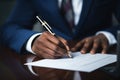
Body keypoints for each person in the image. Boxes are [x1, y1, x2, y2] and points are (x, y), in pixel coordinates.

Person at [0, 0, 120, 80]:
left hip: (100, 66)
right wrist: (33, 40)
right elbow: (9, 28)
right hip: (55, 65)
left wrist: (107, 36)